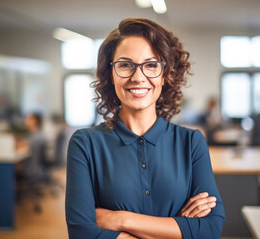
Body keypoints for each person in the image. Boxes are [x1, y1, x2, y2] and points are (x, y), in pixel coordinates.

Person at [65, 18, 225, 239]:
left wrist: (119, 219)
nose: (138, 77)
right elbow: (81, 233)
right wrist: (179, 229)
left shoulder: (191, 143)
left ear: (165, 75)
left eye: (151, 65)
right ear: (110, 74)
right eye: (125, 65)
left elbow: (211, 229)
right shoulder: (85, 144)